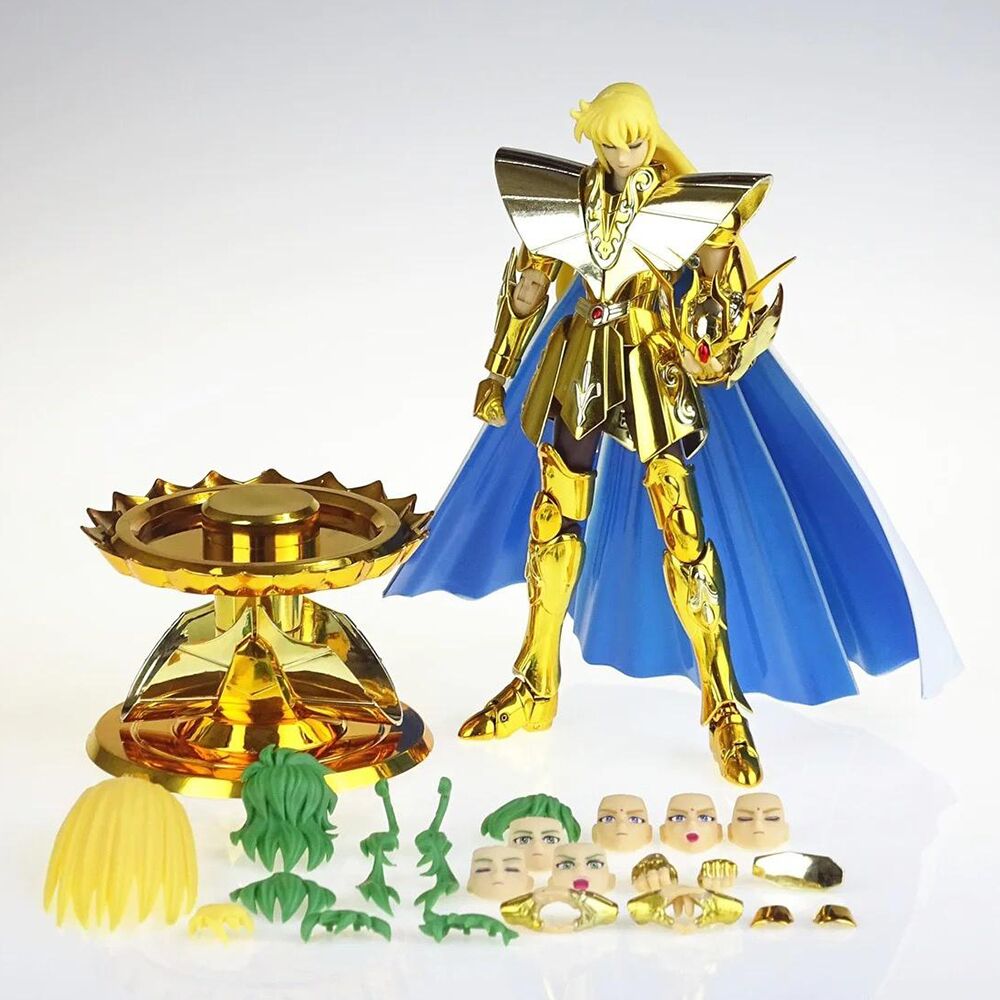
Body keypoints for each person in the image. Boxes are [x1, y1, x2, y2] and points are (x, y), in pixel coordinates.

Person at [387, 82, 959, 786]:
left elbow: (716, 295)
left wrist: (721, 311)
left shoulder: (680, 207)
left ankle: (724, 705)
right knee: (553, 514)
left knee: (683, 529)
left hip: (651, 365)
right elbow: (527, 288)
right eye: (610, 143)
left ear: (650, 136)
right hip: (580, 360)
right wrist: (498, 370)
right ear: (593, 141)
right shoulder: (566, 200)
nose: (624, 154)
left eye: (635, 141)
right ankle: (536, 683)